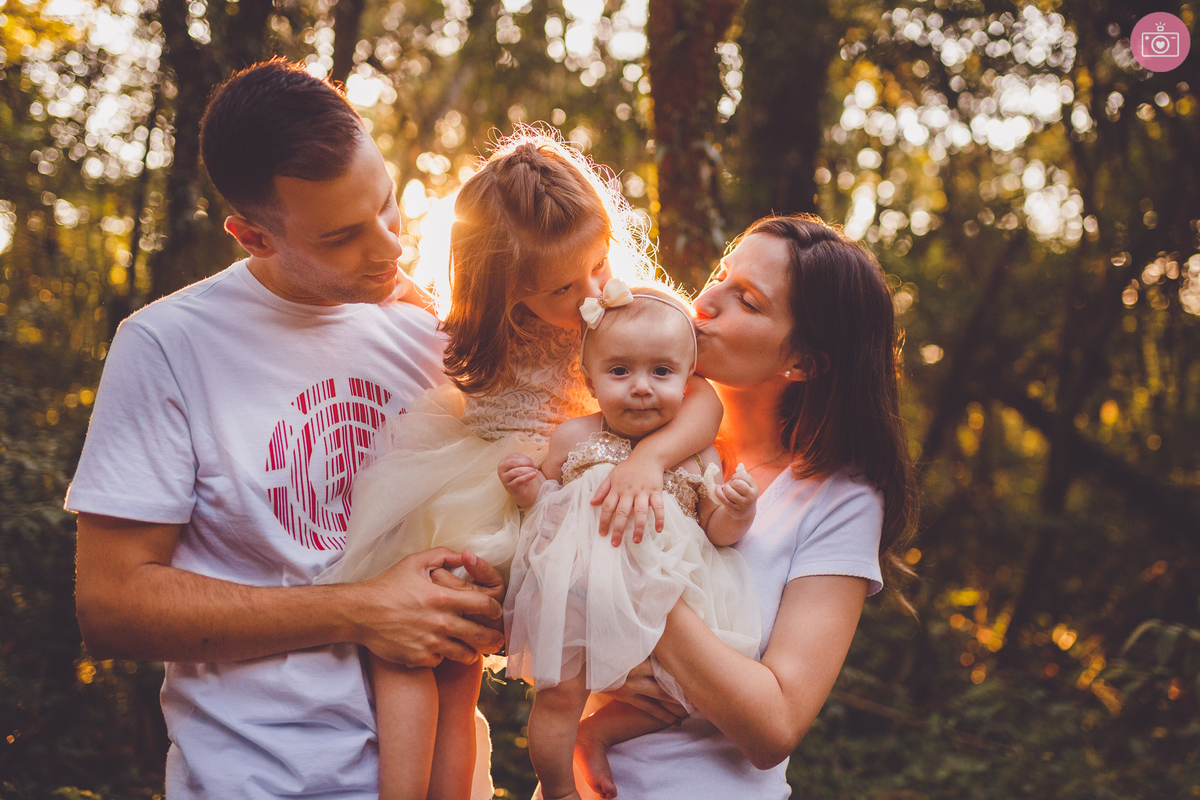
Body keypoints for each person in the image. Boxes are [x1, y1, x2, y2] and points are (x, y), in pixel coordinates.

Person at [66, 59, 507, 800]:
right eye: (342, 237)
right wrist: (360, 612)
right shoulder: (169, 346)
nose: (390, 249)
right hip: (259, 781)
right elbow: (110, 607)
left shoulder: (436, 333)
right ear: (252, 236)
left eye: (389, 206)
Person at [317, 133, 725, 799]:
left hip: (560, 501)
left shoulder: (634, 312)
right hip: (470, 487)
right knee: (420, 649)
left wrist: (652, 459)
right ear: (510, 292)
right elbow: (399, 303)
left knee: (463, 662)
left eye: (597, 263)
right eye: (565, 285)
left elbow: (702, 397)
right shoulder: (481, 328)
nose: (593, 289)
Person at [593, 214, 918, 799]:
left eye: (747, 299)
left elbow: (774, 725)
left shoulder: (839, 501)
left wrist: (635, 588)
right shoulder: (629, 424)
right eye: (722, 273)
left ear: (801, 363)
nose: (708, 299)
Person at [499, 281, 763, 800]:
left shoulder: (699, 456)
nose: (641, 386)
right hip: (579, 593)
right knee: (558, 696)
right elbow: (545, 507)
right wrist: (528, 487)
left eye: (661, 371)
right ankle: (557, 791)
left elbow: (717, 532)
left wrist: (738, 509)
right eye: (620, 371)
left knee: (685, 696)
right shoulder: (576, 436)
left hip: (667, 603)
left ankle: (598, 733)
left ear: (688, 380)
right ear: (591, 380)